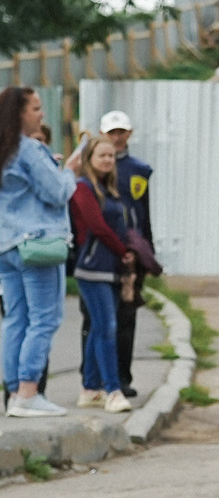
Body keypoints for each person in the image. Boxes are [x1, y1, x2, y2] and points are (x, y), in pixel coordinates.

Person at [2, 88, 74, 418]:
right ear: (20, 113)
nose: (41, 114)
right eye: (36, 108)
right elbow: (57, 193)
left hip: (6, 244)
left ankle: (14, 391)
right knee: (44, 318)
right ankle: (29, 392)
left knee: (15, 318)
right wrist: (70, 170)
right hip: (37, 243)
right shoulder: (30, 149)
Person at [66, 137, 140, 413]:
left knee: (100, 327)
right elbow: (97, 227)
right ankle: (112, 390)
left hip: (111, 270)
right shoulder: (83, 188)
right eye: (102, 155)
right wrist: (123, 250)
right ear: (89, 158)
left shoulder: (110, 189)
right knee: (108, 326)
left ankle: (89, 388)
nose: (108, 160)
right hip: (92, 268)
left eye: (111, 155)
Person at [94, 109, 153, 396]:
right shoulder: (92, 169)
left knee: (127, 316)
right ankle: (94, 378)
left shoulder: (139, 170)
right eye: (111, 133)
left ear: (129, 134)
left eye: (121, 132)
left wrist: (147, 252)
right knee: (98, 318)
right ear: (102, 134)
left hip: (130, 252)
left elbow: (143, 213)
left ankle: (123, 377)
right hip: (101, 251)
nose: (117, 138)